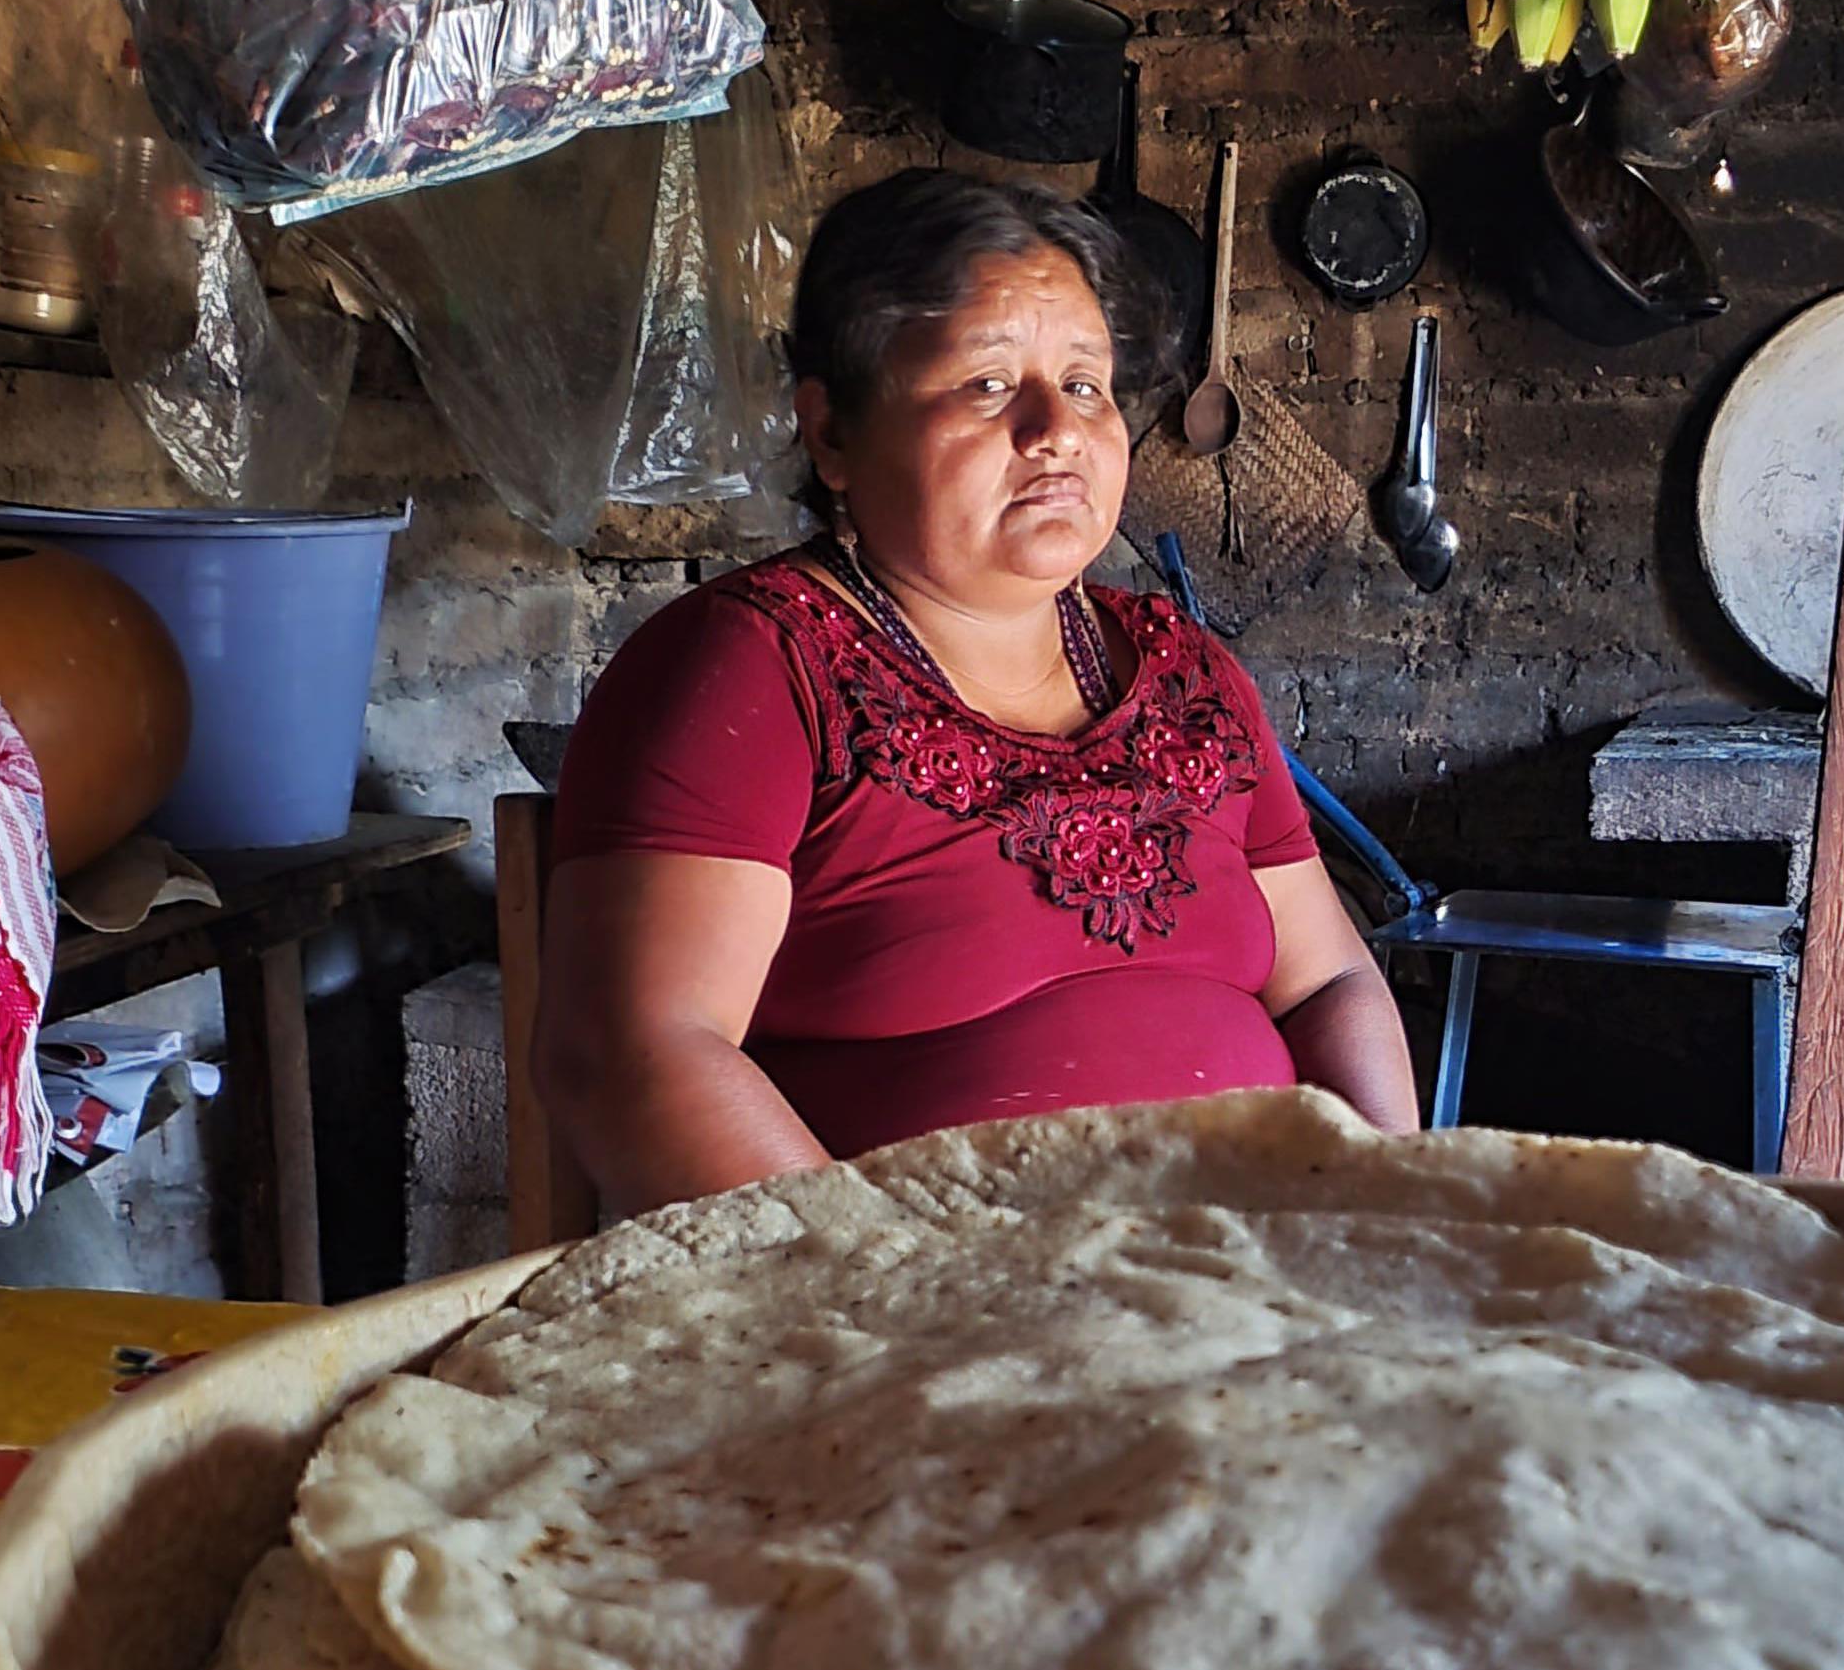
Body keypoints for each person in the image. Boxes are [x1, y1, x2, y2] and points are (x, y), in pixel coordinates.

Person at [536, 169, 1417, 1214]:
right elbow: (631, 1056)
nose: (1056, 429)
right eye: (989, 384)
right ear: (831, 433)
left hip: (1256, 1287)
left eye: (1085, 384)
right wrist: (898, 1304)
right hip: (910, 1328)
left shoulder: (1187, 672)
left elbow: (1330, 983)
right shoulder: (755, 668)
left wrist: (1385, 1208)